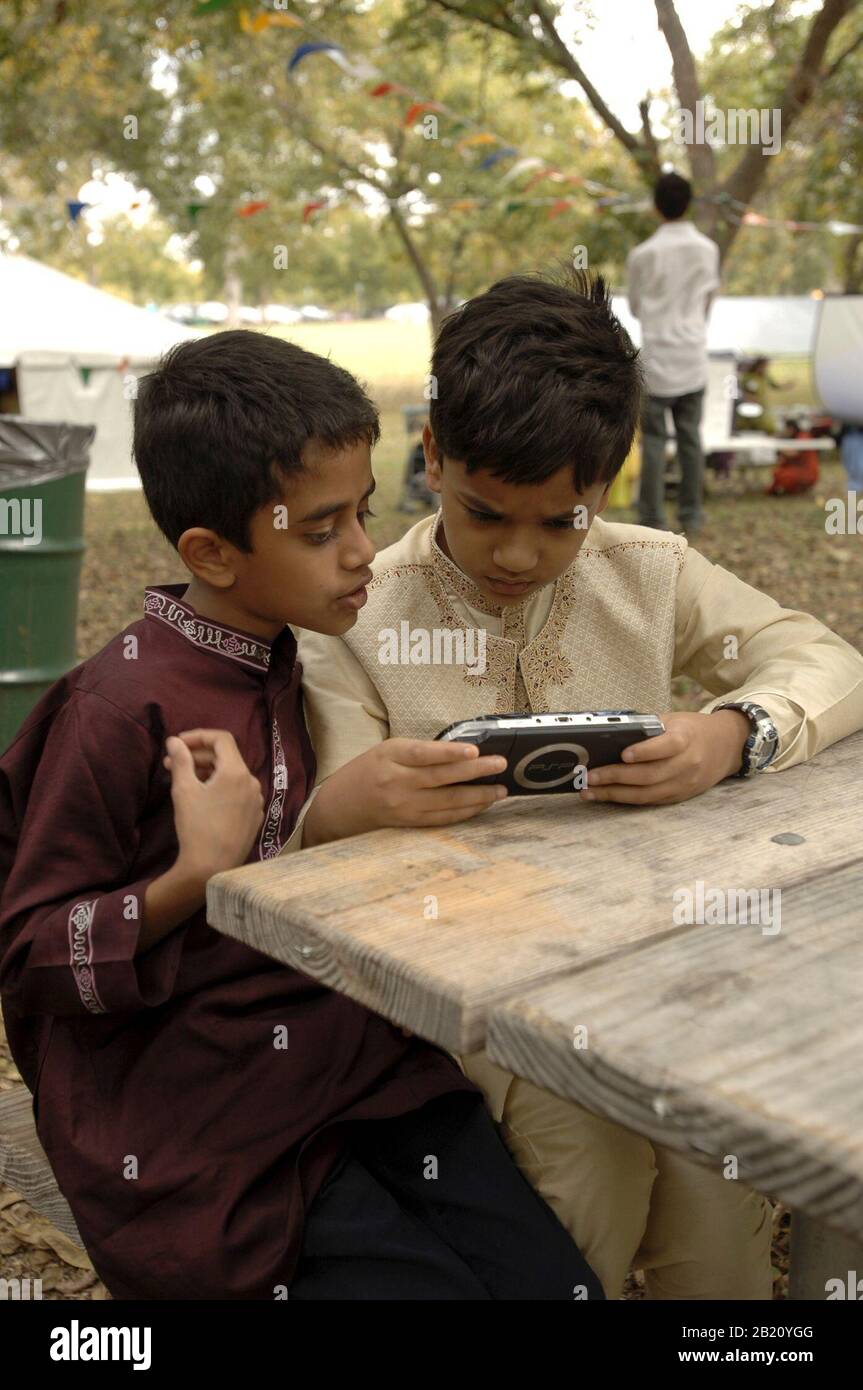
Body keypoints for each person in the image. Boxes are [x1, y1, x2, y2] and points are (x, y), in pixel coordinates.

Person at [290, 271, 863, 1300]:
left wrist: (733, 732)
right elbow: (319, 829)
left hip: (655, 966)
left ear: (607, 481)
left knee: (712, 1204)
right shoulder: (357, 610)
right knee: (582, 1185)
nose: (519, 552)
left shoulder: (645, 571)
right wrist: (362, 800)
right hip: (462, 992)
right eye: (484, 513)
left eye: (562, 521)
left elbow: (825, 661)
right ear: (429, 452)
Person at [0, 331, 603, 1302]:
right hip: (203, 1118)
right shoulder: (116, 710)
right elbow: (27, 952)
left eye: (363, 513)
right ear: (211, 552)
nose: (363, 550)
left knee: (551, 1282)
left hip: (354, 1065)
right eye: (322, 531)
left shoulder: (284, 654)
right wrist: (189, 880)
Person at [627, 171, 721, 535]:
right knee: (691, 438)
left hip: (656, 358)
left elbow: (635, 307)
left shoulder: (643, 255)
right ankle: (692, 514)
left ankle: (652, 515)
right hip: (693, 355)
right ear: (690, 204)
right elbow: (707, 301)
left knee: (652, 439)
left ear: (655, 207)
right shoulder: (707, 250)